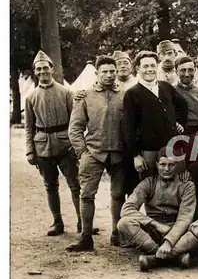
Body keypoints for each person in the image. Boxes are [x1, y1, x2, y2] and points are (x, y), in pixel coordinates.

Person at [117, 146, 198, 271]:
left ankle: (156, 259)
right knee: (123, 223)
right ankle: (174, 256)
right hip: (153, 233)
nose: (166, 169)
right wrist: (155, 224)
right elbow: (127, 208)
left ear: (177, 166)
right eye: (163, 164)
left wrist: (169, 241)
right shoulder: (148, 183)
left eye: (171, 165)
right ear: (157, 164)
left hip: (179, 232)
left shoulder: (187, 186)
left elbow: (185, 218)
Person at [66, 55, 127, 251]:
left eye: (112, 71)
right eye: (105, 72)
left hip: (119, 153)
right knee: (87, 195)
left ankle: (117, 234)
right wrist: (82, 151)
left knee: (118, 195)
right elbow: (75, 128)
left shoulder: (126, 95)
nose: (109, 75)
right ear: (97, 74)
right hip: (93, 152)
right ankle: (86, 237)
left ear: (116, 73)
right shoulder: (85, 96)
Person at [25, 50, 82, 236]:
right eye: (38, 69)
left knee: (75, 185)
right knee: (50, 186)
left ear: (52, 68)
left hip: (66, 146)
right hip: (42, 147)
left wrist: (76, 145)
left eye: (45, 68)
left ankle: (83, 221)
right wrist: (30, 151)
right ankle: (57, 222)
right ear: (35, 72)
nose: (42, 72)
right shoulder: (30, 97)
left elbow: (76, 122)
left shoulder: (66, 93)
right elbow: (29, 127)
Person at [123, 51, 187, 179]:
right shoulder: (132, 93)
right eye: (145, 66)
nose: (150, 69)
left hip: (171, 147)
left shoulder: (166, 87)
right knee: (151, 187)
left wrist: (180, 123)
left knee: (177, 185)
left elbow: (183, 105)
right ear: (137, 68)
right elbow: (129, 127)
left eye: (152, 65)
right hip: (149, 151)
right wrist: (136, 156)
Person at [173, 55, 198, 159]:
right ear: (176, 72)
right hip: (176, 136)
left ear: (195, 71)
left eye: (190, 70)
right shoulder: (169, 91)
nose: (187, 74)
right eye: (182, 70)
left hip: (197, 136)